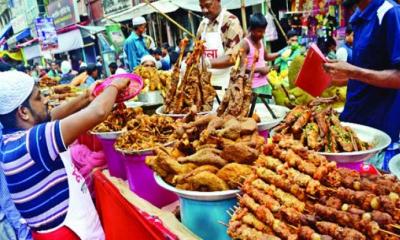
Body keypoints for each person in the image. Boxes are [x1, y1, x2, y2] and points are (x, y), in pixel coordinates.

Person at [0, 70, 130, 239]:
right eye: (39, 98)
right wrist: (114, 85)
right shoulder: (32, 143)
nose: (46, 100)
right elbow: (98, 112)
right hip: (69, 234)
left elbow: (51, 116)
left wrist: (86, 97)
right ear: (23, 112)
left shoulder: (11, 142)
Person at [324, 0, 400, 166]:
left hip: (377, 135)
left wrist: (352, 71)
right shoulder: (358, 17)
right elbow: (368, 71)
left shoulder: (390, 13)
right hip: (353, 125)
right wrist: (339, 77)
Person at [197, 0, 244, 92]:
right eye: (201, 7)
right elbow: (198, 52)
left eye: (208, 5)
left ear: (218, 1)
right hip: (206, 85)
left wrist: (207, 63)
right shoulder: (203, 25)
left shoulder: (231, 22)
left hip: (227, 83)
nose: (205, 10)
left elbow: (232, 58)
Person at [241, 13, 281, 98]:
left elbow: (266, 57)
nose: (262, 34)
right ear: (251, 30)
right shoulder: (245, 44)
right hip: (252, 87)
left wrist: (280, 54)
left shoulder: (260, 41)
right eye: (259, 31)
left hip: (265, 83)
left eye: (264, 31)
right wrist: (259, 70)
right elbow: (242, 68)